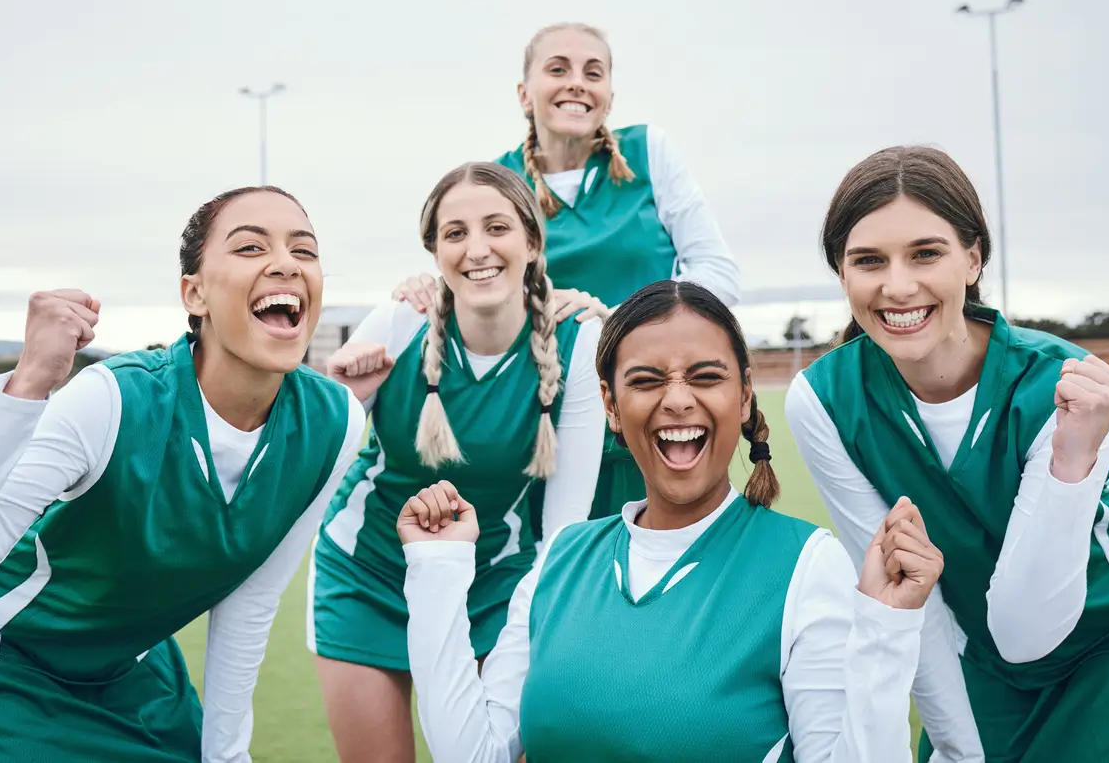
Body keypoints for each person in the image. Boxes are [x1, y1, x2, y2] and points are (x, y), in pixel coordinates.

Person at [397, 279, 944, 762]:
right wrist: (437, 571)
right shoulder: (561, 559)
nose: (678, 400)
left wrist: (885, 630)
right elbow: (474, 754)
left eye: (706, 377)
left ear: (745, 396)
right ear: (611, 404)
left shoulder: (805, 565)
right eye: (646, 380)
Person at [0, 186, 366, 762]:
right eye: (250, 248)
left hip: (137, 681)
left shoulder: (335, 422)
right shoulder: (112, 401)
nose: (285, 264)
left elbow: (250, 604)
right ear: (194, 294)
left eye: (304, 250)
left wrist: (226, 755)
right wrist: (26, 389)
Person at [785, 145, 1109, 762]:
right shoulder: (822, 400)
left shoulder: (1060, 385)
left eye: (926, 253)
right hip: (979, 657)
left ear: (973, 257)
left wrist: (1071, 461)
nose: (898, 286)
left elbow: (1026, 629)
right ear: (842, 273)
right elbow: (911, 601)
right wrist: (959, 748)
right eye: (869, 260)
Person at [307, 162, 605, 763]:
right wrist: (342, 392)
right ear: (435, 251)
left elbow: (564, 527)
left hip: (497, 583)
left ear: (531, 240)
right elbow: (309, 460)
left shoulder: (579, 343)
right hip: (368, 578)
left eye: (496, 227)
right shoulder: (399, 322)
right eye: (455, 233)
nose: (477, 250)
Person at [393, 22, 743, 526]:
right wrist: (424, 286)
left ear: (608, 96)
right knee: (557, 578)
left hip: (649, 409)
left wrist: (616, 317)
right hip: (541, 426)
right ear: (524, 93)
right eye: (557, 69)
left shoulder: (651, 152)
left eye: (592, 72)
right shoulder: (499, 179)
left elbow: (720, 276)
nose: (576, 82)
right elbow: (469, 265)